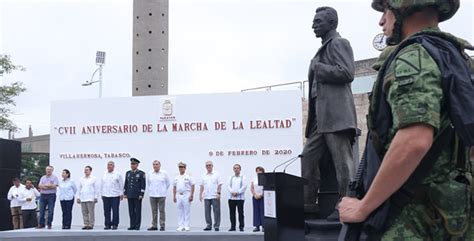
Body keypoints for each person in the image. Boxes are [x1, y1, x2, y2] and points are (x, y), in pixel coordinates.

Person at [339, 0, 473, 240]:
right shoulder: (457, 60)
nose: (382, 21)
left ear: (403, 8)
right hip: (452, 215)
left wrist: (363, 207)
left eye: (386, 10)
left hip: (413, 217)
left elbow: (414, 140)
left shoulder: (414, 57)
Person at [301, 6, 357, 221]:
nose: (313, 25)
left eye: (318, 21)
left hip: (336, 115)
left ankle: (346, 205)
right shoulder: (322, 49)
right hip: (320, 118)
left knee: (343, 163)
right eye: (313, 21)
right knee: (308, 157)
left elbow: (347, 72)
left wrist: (319, 68)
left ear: (331, 24)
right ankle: (308, 204)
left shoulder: (339, 43)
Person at [199, 161, 223, 231]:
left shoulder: (217, 174)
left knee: (216, 211)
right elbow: (202, 186)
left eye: (210, 165)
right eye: (207, 165)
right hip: (206, 196)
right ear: (205, 167)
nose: (208, 166)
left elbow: (220, 184)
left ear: (212, 166)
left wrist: (219, 193)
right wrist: (200, 195)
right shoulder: (203, 175)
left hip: (215, 195)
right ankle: (208, 225)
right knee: (207, 212)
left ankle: (216, 226)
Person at [147, 160, 170, 231]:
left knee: (161, 211)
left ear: (160, 165)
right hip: (152, 195)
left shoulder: (164, 173)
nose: (155, 166)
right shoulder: (150, 173)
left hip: (161, 195)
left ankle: (162, 225)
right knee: (154, 211)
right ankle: (154, 225)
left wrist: (163, 190)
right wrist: (151, 191)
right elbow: (148, 183)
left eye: (157, 164)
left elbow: (168, 183)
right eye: (154, 164)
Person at [124, 157, 146, 230]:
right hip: (130, 194)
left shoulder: (141, 173)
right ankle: (132, 225)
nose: (132, 165)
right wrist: (125, 193)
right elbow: (126, 184)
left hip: (137, 195)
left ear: (137, 165)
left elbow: (143, 185)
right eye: (131, 164)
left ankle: (137, 226)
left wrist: (141, 194)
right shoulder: (128, 173)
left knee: (138, 211)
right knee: (131, 211)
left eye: (134, 164)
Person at [101, 161, 124, 230]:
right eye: (108, 165)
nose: (109, 166)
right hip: (106, 195)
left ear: (113, 166)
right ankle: (107, 224)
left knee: (115, 211)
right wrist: (102, 194)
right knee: (106, 211)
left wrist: (121, 193)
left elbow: (121, 184)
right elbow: (102, 185)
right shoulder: (104, 174)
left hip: (115, 195)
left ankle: (115, 224)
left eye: (110, 165)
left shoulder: (118, 174)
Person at [173, 162, 195, 231]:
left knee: (186, 211)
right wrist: (174, 196)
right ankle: (180, 226)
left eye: (182, 167)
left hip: (186, 194)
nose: (181, 168)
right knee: (180, 211)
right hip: (178, 195)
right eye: (179, 167)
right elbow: (174, 187)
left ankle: (186, 225)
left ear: (185, 168)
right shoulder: (176, 177)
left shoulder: (188, 176)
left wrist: (191, 195)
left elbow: (193, 185)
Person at [77, 165, 99, 230]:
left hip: (90, 198)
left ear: (90, 171)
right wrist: (78, 197)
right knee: (84, 212)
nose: (85, 171)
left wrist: (96, 197)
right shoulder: (81, 179)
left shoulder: (94, 178)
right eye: (85, 170)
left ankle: (91, 224)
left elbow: (96, 189)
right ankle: (86, 224)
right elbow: (79, 189)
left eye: (87, 170)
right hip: (83, 198)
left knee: (91, 212)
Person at [227, 164, 247, 232]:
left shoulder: (243, 177)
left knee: (240, 213)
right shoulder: (231, 177)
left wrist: (237, 192)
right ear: (233, 169)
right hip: (231, 198)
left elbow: (244, 187)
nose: (236, 169)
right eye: (235, 168)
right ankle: (233, 227)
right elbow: (228, 186)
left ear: (240, 169)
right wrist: (232, 192)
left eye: (237, 168)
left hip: (240, 198)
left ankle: (241, 227)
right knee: (232, 213)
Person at [250, 166, 264, 232]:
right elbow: (252, 188)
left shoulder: (265, 178)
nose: (258, 172)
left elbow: (266, 187)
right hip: (255, 197)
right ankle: (257, 226)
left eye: (260, 170)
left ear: (262, 171)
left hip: (262, 197)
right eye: (257, 170)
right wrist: (255, 194)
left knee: (263, 211)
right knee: (256, 212)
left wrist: (261, 195)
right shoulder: (254, 178)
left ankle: (264, 226)